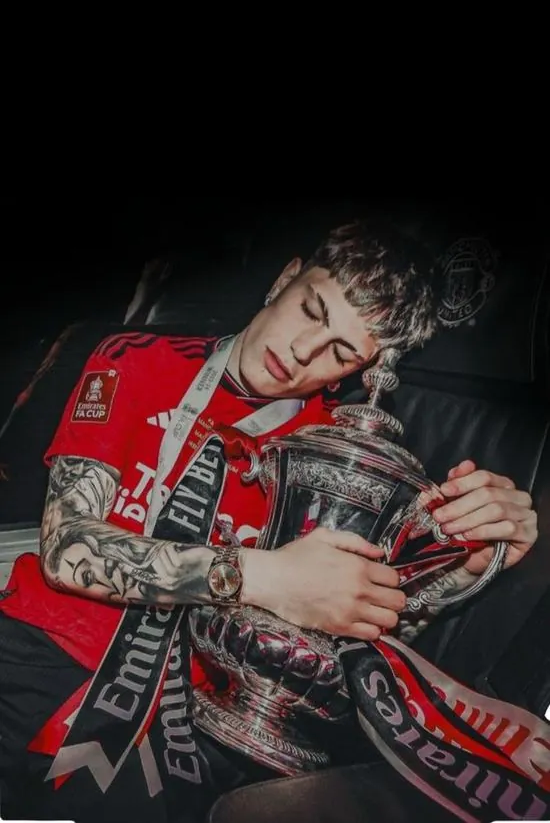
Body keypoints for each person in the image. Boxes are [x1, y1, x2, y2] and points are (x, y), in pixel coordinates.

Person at [0, 219, 538, 823]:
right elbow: (68, 549)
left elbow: (348, 632)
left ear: (357, 373)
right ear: (285, 279)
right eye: (311, 309)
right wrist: (263, 576)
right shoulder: (137, 359)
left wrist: (461, 565)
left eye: (341, 352)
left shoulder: (334, 460)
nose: (304, 351)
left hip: (184, 712)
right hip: (39, 649)